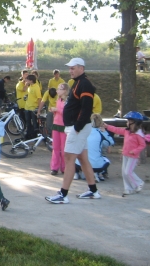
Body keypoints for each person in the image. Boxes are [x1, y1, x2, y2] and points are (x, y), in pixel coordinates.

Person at [46, 57, 99, 204]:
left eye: (73, 68)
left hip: (77, 128)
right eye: (69, 68)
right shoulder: (78, 83)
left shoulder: (84, 84)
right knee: (82, 158)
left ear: (81, 68)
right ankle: (93, 190)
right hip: (76, 127)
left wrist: (77, 127)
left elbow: (86, 108)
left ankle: (63, 194)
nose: (70, 71)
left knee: (69, 158)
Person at [102, 111, 147, 195]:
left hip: (133, 156)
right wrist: (107, 126)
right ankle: (128, 188)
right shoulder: (127, 131)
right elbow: (117, 130)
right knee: (124, 173)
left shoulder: (138, 134)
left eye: (129, 121)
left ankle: (138, 183)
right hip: (125, 154)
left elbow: (142, 145)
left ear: (135, 122)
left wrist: (134, 151)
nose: (127, 123)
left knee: (128, 172)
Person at [74, 114, 114, 182]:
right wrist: (105, 132)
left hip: (80, 164)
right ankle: (97, 173)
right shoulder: (101, 133)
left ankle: (76, 173)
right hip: (96, 166)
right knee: (106, 160)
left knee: (76, 155)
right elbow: (110, 142)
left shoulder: (84, 131)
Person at [48, 83, 69, 175]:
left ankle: (64, 167)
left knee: (64, 148)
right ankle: (54, 167)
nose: (57, 91)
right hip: (56, 124)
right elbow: (58, 112)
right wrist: (54, 111)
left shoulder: (68, 101)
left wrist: (57, 110)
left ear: (64, 90)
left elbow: (68, 113)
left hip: (64, 125)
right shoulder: (58, 100)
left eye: (59, 89)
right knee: (55, 147)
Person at [24, 74, 41, 140]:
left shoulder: (36, 87)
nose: (26, 81)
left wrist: (39, 108)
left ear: (31, 80)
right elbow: (24, 90)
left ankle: (35, 136)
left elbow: (39, 98)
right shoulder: (29, 86)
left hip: (33, 107)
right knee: (28, 122)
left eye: (27, 80)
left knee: (34, 122)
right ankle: (29, 135)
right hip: (27, 107)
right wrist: (26, 85)